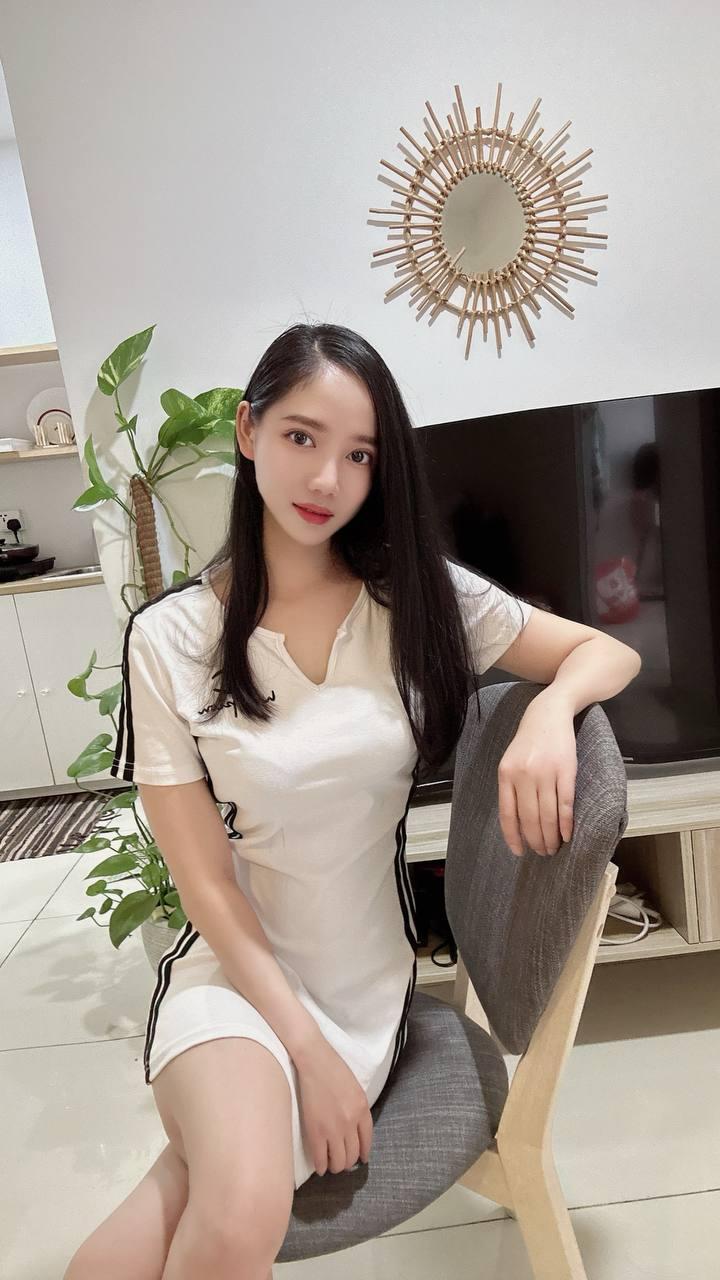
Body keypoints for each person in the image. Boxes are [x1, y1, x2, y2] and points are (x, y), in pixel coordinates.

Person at [64, 322, 642, 1280]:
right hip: (237, 976)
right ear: (248, 431)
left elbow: (605, 650)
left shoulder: (416, 600)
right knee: (238, 1211)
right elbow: (206, 885)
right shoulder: (169, 639)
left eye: (360, 454)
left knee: (192, 1203)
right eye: (301, 436)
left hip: (363, 989)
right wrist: (307, 1053)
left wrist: (550, 713)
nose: (327, 478)